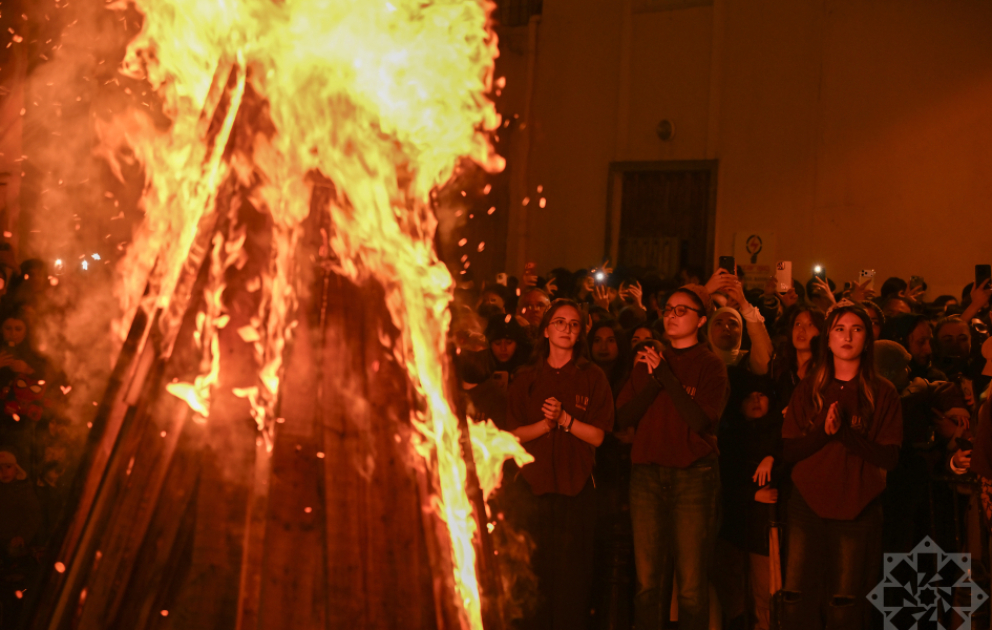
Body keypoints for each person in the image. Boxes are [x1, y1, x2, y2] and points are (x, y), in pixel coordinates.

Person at [780, 304, 902, 630]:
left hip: (856, 506)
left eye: (856, 329)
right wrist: (822, 433)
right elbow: (790, 449)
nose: (847, 336)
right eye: (839, 329)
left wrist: (845, 434)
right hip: (807, 503)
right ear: (828, 339)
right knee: (796, 597)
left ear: (868, 338)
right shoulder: (809, 387)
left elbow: (889, 456)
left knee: (845, 604)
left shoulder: (882, 392)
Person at [616, 285, 729, 630]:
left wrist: (664, 375)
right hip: (647, 475)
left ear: (701, 320)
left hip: (693, 476)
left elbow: (700, 421)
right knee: (648, 583)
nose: (672, 315)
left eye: (682, 310)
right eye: (668, 309)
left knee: (692, 585)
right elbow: (622, 418)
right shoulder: (649, 359)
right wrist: (653, 379)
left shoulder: (710, 365)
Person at [506, 299, 615, 630]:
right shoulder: (526, 377)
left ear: (580, 332)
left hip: (575, 488)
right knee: (534, 576)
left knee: (572, 582)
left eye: (573, 324)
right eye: (559, 322)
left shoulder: (592, 376)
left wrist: (566, 420)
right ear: (545, 331)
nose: (566, 329)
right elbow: (511, 434)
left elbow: (598, 436)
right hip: (533, 489)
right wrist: (545, 425)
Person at [714, 373, 782, 630]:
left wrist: (772, 457)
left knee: (765, 596)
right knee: (734, 592)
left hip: (764, 531)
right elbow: (724, 481)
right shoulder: (730, 438)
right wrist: (753, 494)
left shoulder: (779, 435)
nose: (755, 400)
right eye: (749, 396)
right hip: (734, 528)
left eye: (761, 395)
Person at [770, 306, 825, 416]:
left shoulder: (825, 371)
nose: (801, 330)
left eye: (810, 324)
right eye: (798, 324)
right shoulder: (781, 368)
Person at [881, 313, 945, 381]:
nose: (929, 350)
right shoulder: (881, 383)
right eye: (921, 342)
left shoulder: (936, 380)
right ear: (900, 343)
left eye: (930, 341)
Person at [588, 320, 629, 398]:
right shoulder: (582, 377)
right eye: (597, 340)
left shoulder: (628, 381)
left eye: (610, 340)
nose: (603, 347)